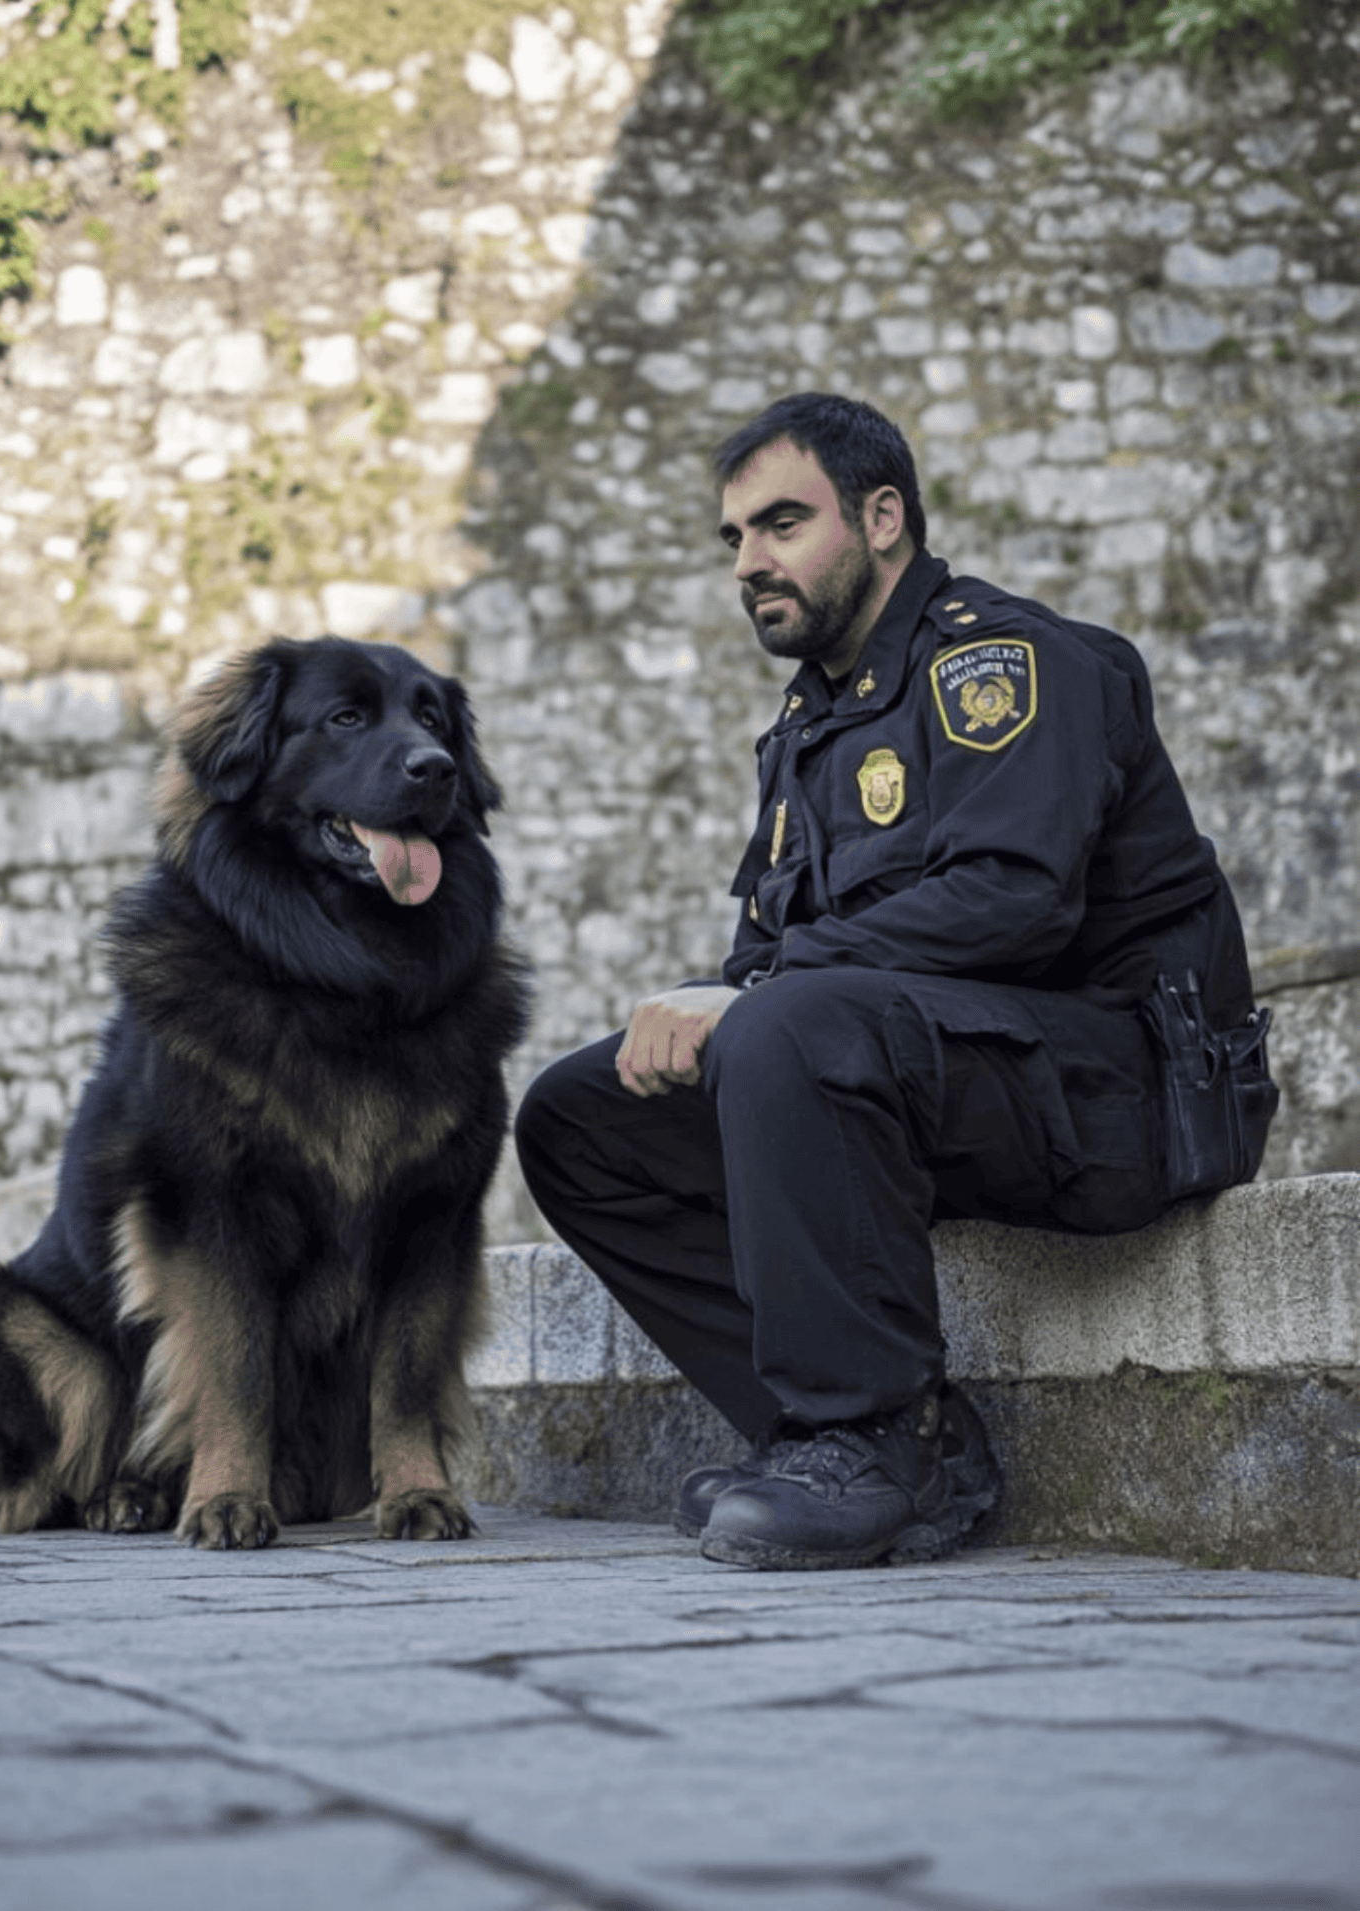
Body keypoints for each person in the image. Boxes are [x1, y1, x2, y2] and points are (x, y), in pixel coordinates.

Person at [514, 392, 1271, 1572]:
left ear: (880, 519)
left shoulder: (1006, 663)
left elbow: (1013, 899)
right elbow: (773, 959)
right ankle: (843, 1431)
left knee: (784, 1022)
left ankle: (868, 1441)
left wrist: (763, 995)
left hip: (1122, 1093)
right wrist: (732, 998)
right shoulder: (810, 728)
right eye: (734, 537)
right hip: (947, 1082)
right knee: (579, 1117)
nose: (748, 561)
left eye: (782, 523)